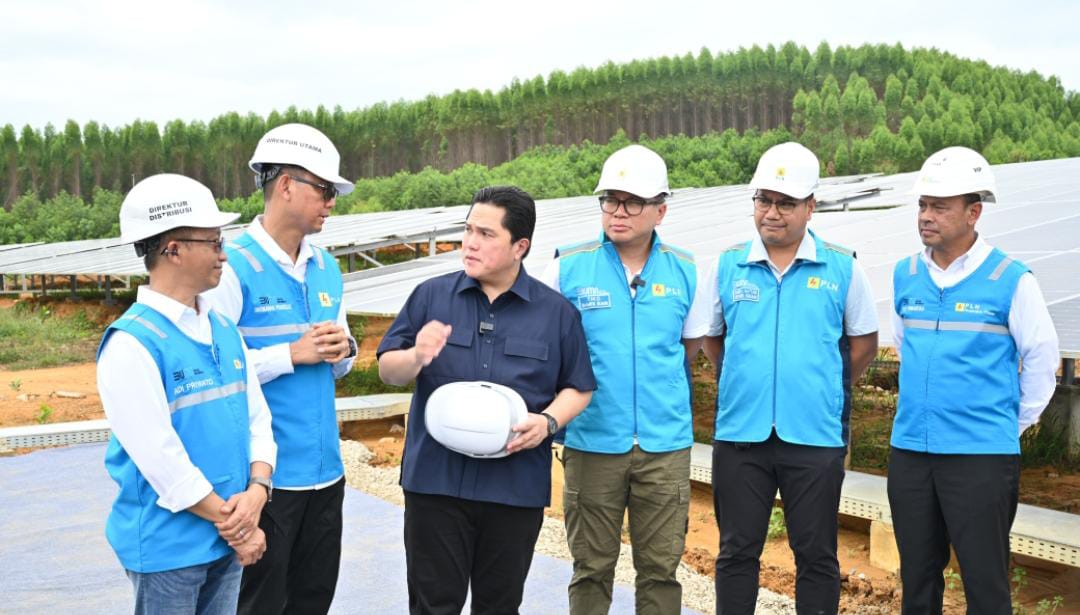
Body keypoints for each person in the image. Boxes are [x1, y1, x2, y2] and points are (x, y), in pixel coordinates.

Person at [377, 185, 596, 615]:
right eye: (468, 230)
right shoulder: (430, 296)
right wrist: (416, 356)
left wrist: (548, 423)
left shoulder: (556, 314)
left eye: (486, 234)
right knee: (432, 606)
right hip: (435, 485)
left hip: (514, 490)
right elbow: (389, 369)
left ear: (520, 246)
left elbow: (579, 387)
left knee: (499, 606)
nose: (470, 243)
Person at [701, 142, 879, 614]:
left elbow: (863, 344)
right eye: (764, 200)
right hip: (741, 434)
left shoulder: (843, 267)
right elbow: (713, 339)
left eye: (786, 203)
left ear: (810, 206)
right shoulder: (727, 265)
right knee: (736, 551)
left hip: (814, 436)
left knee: (816, 554)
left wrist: (823, 386)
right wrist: (745, 377)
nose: (772, 212)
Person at [888, 146, 1060, 614]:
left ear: (974, 212)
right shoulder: (906, 274)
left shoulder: (1011, 279)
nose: (926, 216)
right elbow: (904, 347)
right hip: (911, 453)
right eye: (923, 205)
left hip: (981, 458)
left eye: (940, 207)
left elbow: (1042, 361)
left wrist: (1004, 425)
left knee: (985, 583)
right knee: (917, 578)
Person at [540, 144, 710, 614]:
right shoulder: (566, 267)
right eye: (610, 200)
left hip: (664, 446)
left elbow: (689, 345)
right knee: (591, 568)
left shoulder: (686, 270)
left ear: (660, 210)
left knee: (660, 571)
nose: (618, 211)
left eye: (633, 202)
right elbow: (548, 347)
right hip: (594, 440)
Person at [98, 173, 276, 614]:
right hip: (170, 549)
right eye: (214, 242)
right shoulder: (132, 344)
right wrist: (240, 526)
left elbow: (258, 420)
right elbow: (162, 460)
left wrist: (258, 490)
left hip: (225, 535)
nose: (224, 253)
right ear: (173, 250)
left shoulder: (223, 329)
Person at [203, 123, 357, 614]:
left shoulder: (327, 266)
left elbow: (339, 366)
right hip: (266, 481)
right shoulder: (230, 268)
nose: (331, 203)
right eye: (325, 190)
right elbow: (213, 371)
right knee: (260, 604)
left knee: (313, 600)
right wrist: (289, 354)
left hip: (326, 474)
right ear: (286, 184)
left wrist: (343, 350)